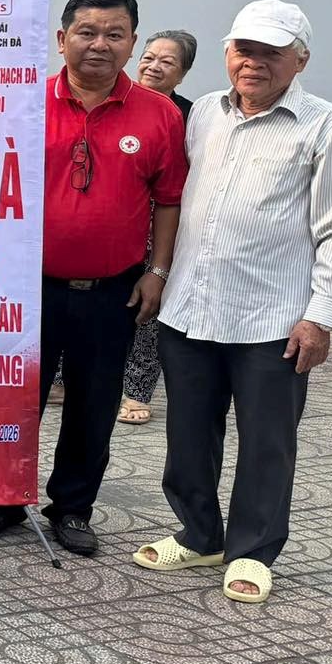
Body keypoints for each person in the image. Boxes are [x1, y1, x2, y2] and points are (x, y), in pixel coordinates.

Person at [136, 0, 332, 605]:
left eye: (271, 53)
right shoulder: (204, 112)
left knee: (267, 442)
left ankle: (253, 551)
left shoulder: (326, 127)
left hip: (273, 320)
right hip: (190, 308)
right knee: (188, 434)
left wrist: (321, 315)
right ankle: (199, 534)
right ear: (227, 52)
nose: (254, 62)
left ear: (300, 60)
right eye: (244, 49)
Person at [0, 0, 186, 558]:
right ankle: (0, 497)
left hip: (112, 290)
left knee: (93, 404)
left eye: (115, 34)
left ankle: (72, 508)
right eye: (87, 32)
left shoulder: (160, 114)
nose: (100, 44)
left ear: (132, 43)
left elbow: (169, 199)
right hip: (25, 286)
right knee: (11, 396)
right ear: (62, 40)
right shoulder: (23, 103)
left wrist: (158, 270)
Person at [119, 30, 199, 425]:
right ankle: (64, 380)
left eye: (167, 62)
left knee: (149, 302)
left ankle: (136, 390)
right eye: (149, 57)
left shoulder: (191, 117)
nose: (154, 66)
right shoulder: (118, 100)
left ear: (183, 73)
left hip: (164, 222)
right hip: (117, 219)